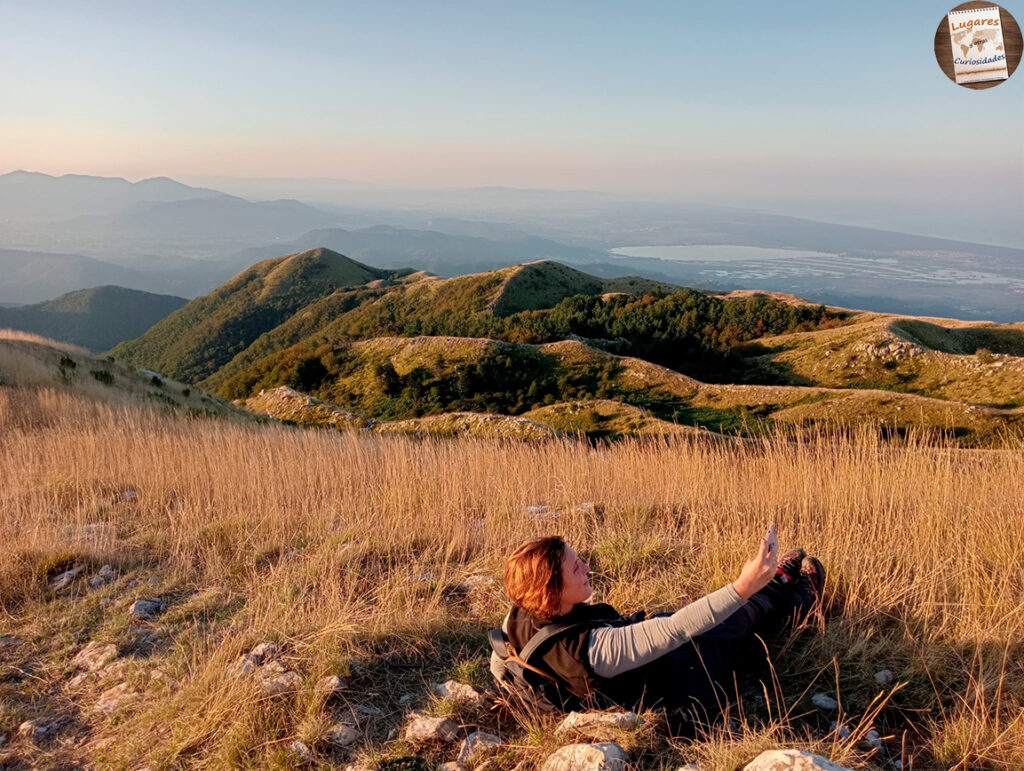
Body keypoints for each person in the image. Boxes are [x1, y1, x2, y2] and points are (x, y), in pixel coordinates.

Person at [490, 531, 824, 724]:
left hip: (647, 661)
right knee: (739, 624)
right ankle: (794, 595)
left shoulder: (521, 611)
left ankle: (777, 584)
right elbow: (675, 630)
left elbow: (498, 655)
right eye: (577, 567)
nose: (587, 566)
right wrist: (742, 585)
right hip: (676, 678)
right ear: (553, 590)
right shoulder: (592, 652)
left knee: (727, 621)